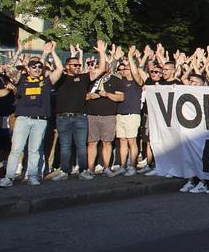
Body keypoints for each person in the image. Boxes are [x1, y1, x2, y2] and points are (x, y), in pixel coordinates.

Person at [0, 43, 64, 187]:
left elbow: (60, 69)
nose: (37, 69)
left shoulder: (46, 82)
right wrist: (19, 51)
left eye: (40, 67)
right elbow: (9, 69)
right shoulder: (22, 80)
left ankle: (33, 175)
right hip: (23, 119)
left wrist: (52, 52)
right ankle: (9, 177)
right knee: (16, 149)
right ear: (28, 69)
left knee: (35, 150)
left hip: (40, 121)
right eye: (33, 66)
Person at [56, 42, 108, 180]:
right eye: (75, 65)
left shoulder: (84, 78)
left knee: (81, 145)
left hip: (80, 117)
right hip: (63, 118)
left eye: (79, 65)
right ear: (67, 66)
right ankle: (64, 171)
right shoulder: (60, 78)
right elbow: (56, 69)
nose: (78, 67)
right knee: (65, 146)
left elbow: (101, 68)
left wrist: (102, 52)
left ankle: (83, 170)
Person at [85, 68, 125, 177]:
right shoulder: (91, 80)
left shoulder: (116, 80)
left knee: (107, 142)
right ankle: (90, 169)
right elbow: (82, 96)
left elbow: (120, 97)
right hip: (92, 115)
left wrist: (107, 94)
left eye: (104, 70)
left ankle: (106, 167)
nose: (102, 73)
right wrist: (89, 96)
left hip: (109, 116)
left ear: (108, 70)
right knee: (92, 143)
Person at [114, 57, 144, 176]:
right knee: (122, 141)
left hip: (132, 114)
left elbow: (136, 73)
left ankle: (132, 166)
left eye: (126, 68)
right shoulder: (120, 82)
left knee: (132, 141)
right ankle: (123, 165)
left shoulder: (137, 82)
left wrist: (130, 57)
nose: (123, 71)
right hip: (120, 114)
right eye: (121, 69)